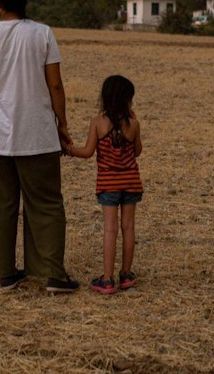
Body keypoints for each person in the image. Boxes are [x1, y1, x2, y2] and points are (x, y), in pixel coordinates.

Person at [0, 0, 79, 294]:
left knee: (2, 205)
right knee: (45, 203)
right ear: (26, 0)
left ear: (0, 2)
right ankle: (51, 273)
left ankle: (4, 273)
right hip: (37, 134)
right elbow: (56, 85)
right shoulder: (43, 33)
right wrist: (62, 125)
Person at [65, 74, 143, 294]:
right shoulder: (133, 124)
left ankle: (107, 279)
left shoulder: (98, 123)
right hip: (131, 182)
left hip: (108, 184)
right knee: (128, 227)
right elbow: (137, 151)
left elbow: (88, 152)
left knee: (110, 229)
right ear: (127, 99)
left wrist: (68, 149)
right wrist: (134, 124)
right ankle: (126, 275)